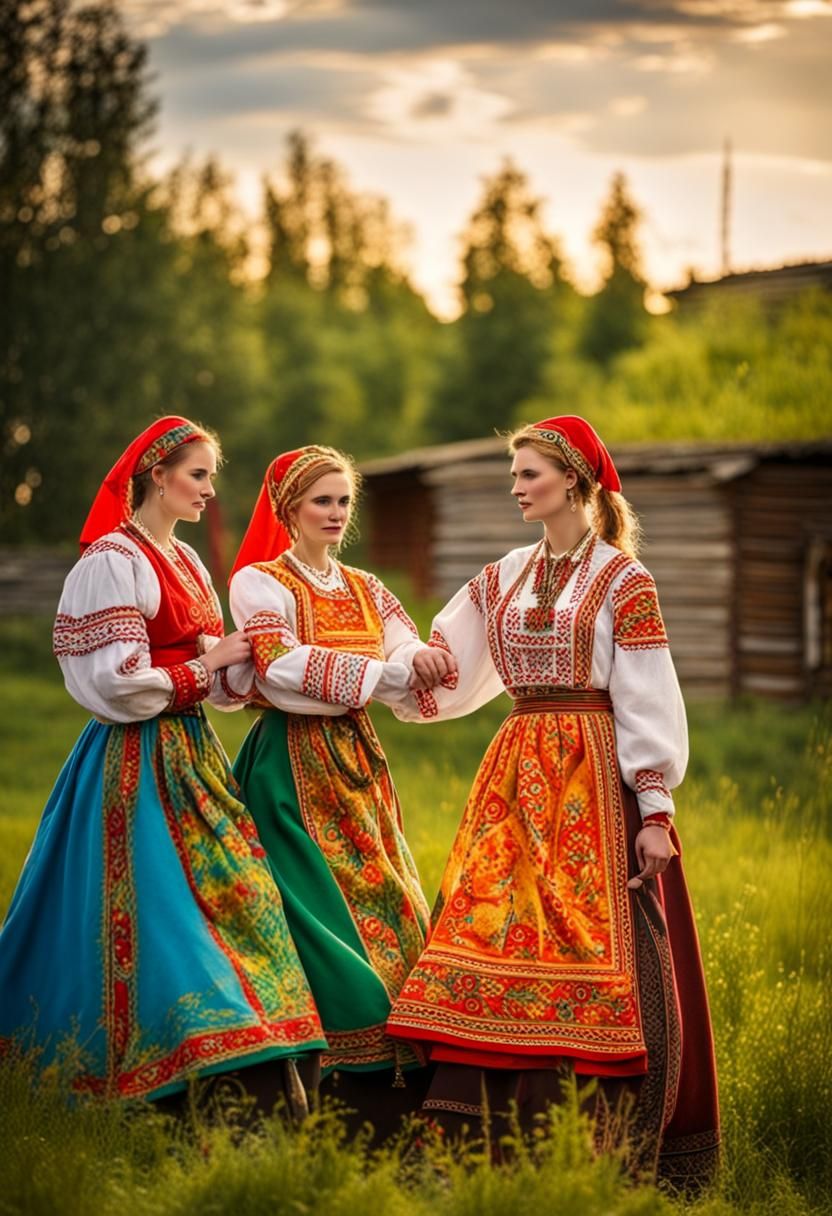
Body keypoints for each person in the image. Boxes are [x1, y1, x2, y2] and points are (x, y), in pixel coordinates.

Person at [386, 416, 719, 1188]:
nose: (516, 487)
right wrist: (388, 664)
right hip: (514, 770)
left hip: (594, 778)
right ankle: (471, 1138)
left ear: (572, 479)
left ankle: (583, 1140)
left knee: (581, 939)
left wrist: (656, 807)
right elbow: (447, 658)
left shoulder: (625, 580)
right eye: (514, 474)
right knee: (488, 926)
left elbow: (646, 695)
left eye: (528, 473)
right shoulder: (502, 574)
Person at [0, 417, 326, 1114]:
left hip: (194, 753)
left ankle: (257, 1066)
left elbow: (217, 663)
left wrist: (246, 668)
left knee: (240, 899)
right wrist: (206, 664)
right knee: (160, 916)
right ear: (158, 475)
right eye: (199, 475)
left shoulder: (186, 561)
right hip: (134, 760)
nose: (210, 491)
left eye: (212, 476)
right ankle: (178, 1077)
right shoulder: (113, 561)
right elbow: (114, 680)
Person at [228, 445, 437, 1137]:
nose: (336, 513)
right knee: (312, 912)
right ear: (290, 509)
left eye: (344, 501)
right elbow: (278, 664)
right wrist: (381, 674)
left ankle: (393, 1080)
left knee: (392, 900)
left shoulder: (366, 586)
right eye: (322, 500)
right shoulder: (262, 583)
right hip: (288, 764)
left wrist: (419, 660)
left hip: (355, 761)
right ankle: (319, 1069)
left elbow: (403, 644)